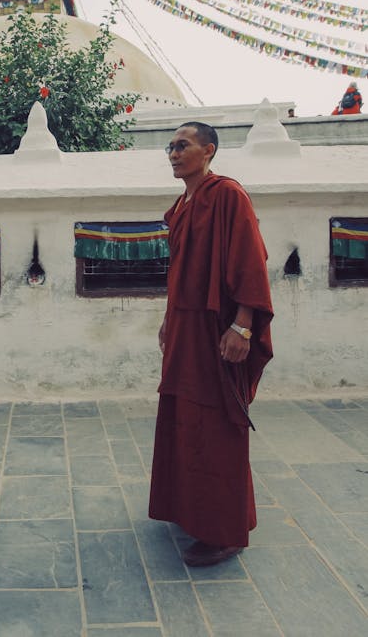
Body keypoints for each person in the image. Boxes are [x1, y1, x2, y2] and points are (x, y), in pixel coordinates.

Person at [148, 121, 273, 567]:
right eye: (171, 146)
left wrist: (243, 326)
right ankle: (190, 509)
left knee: (218, 423)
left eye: (183, 145)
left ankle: (225, 531)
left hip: (218, 330)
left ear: (209, 150)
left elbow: (250, 260)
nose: (173, 153)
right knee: (184, 416)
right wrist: (168, 320)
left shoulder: (227, 196)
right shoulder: (183, 204)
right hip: (185, 331)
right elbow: (180, 273)